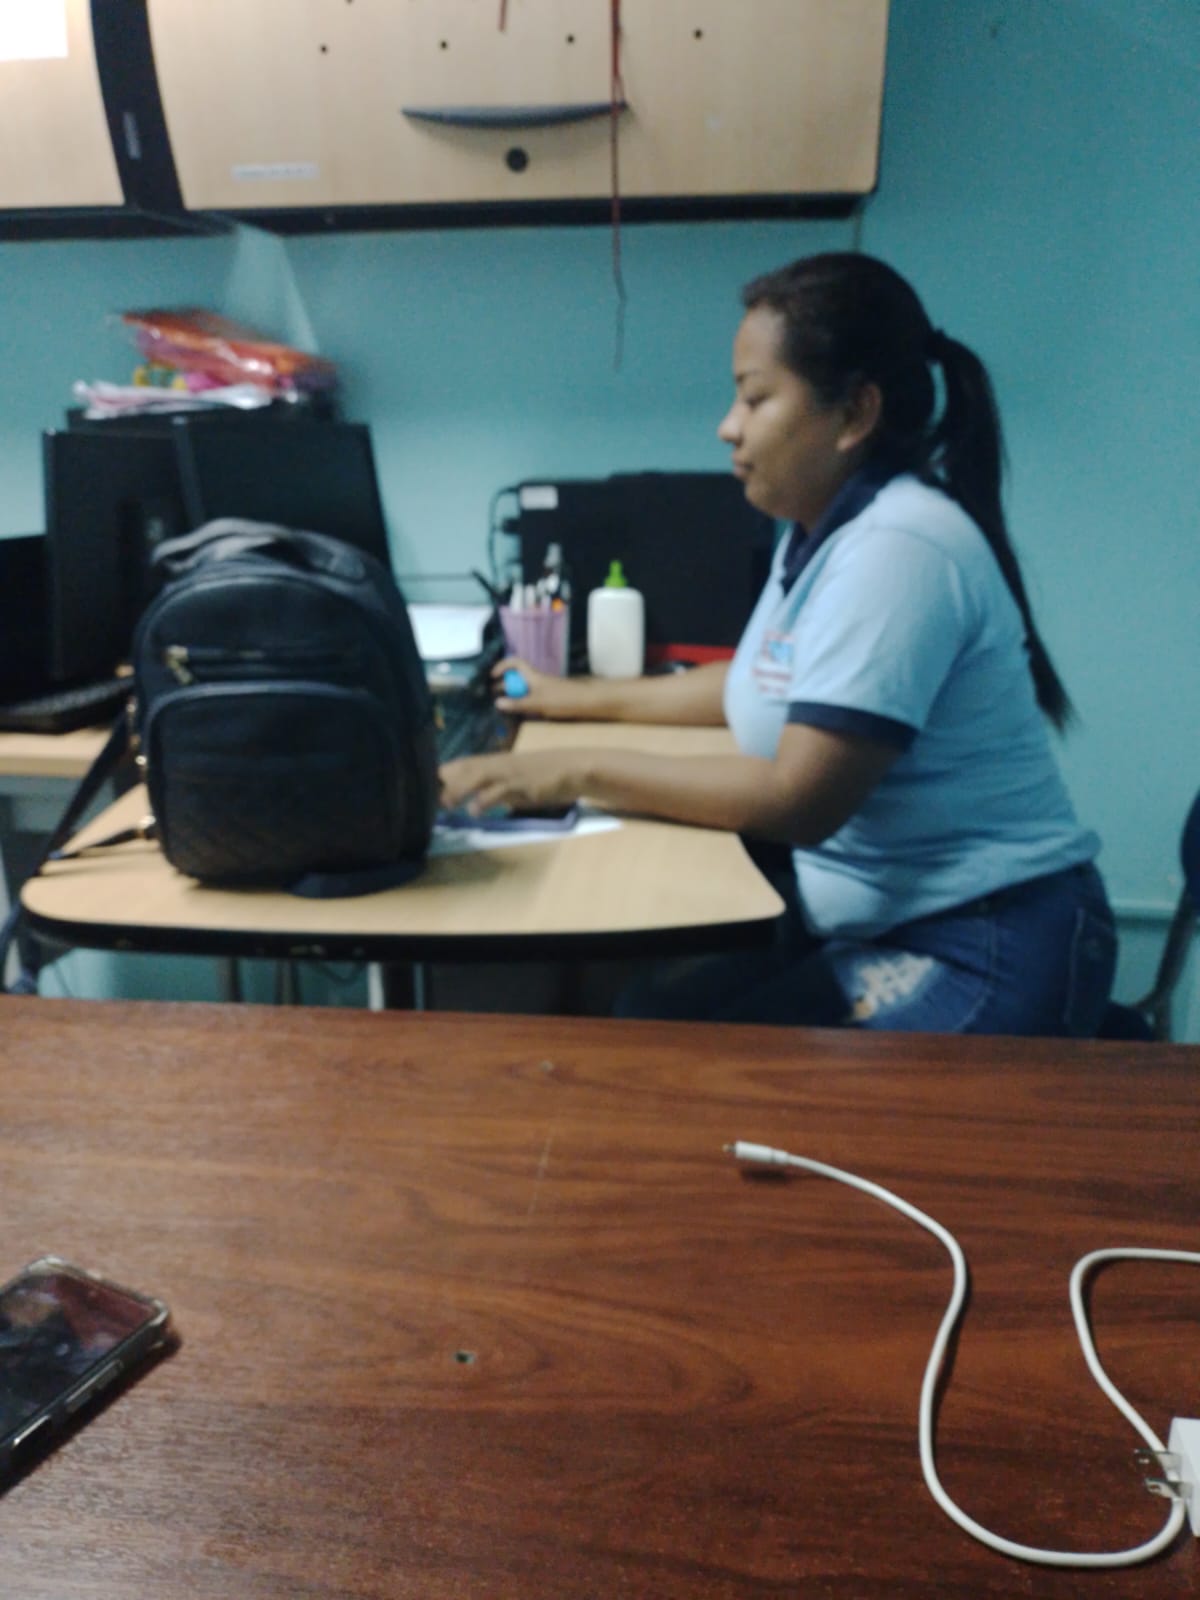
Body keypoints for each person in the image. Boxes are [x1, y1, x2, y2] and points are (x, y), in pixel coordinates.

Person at [440, 253, 1116, 1035]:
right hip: (888, 923)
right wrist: (570, 698)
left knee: (701, 1071)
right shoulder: (821, 530)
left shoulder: (900, 549)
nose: (728, 426)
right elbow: (759, 683)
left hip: (987, 942)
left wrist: (565, 771)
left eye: (756, 397)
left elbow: (800, 801)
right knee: (645, 1014)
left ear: (855, 413)